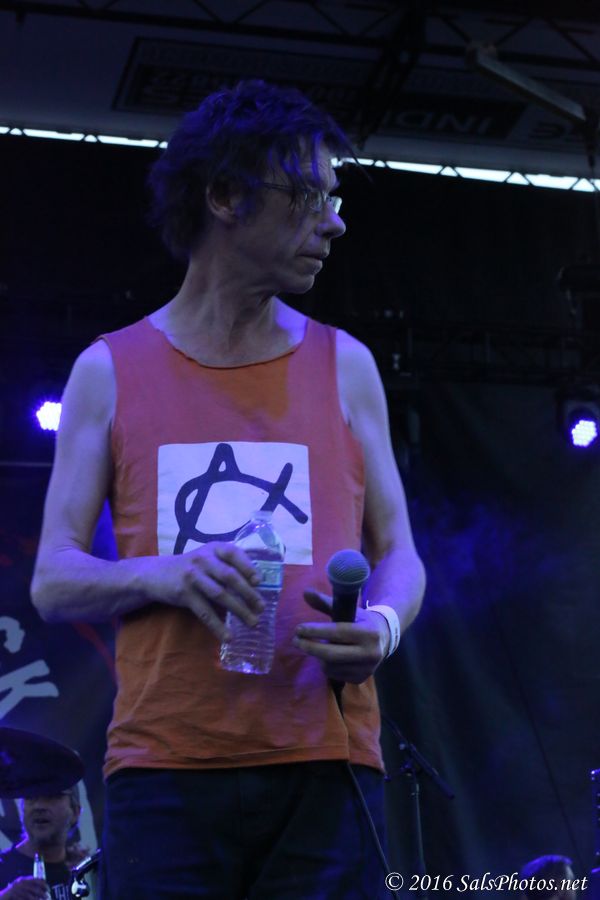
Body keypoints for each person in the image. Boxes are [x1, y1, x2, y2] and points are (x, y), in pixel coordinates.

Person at [31, 79, 425, 899]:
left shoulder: (345, 364)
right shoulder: (109, 370)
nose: (334, 221)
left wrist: (383, 627)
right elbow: (53, 581)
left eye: (336, 198)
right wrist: (162, 574)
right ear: (225, 197)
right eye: (310, 195)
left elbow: (401, 554)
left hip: (326, 764)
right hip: (165, 770)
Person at [0, 786, 83, 900]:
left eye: (52, 796)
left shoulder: (85, 873)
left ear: (75, 812)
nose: (39, 806)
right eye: (30, 796)